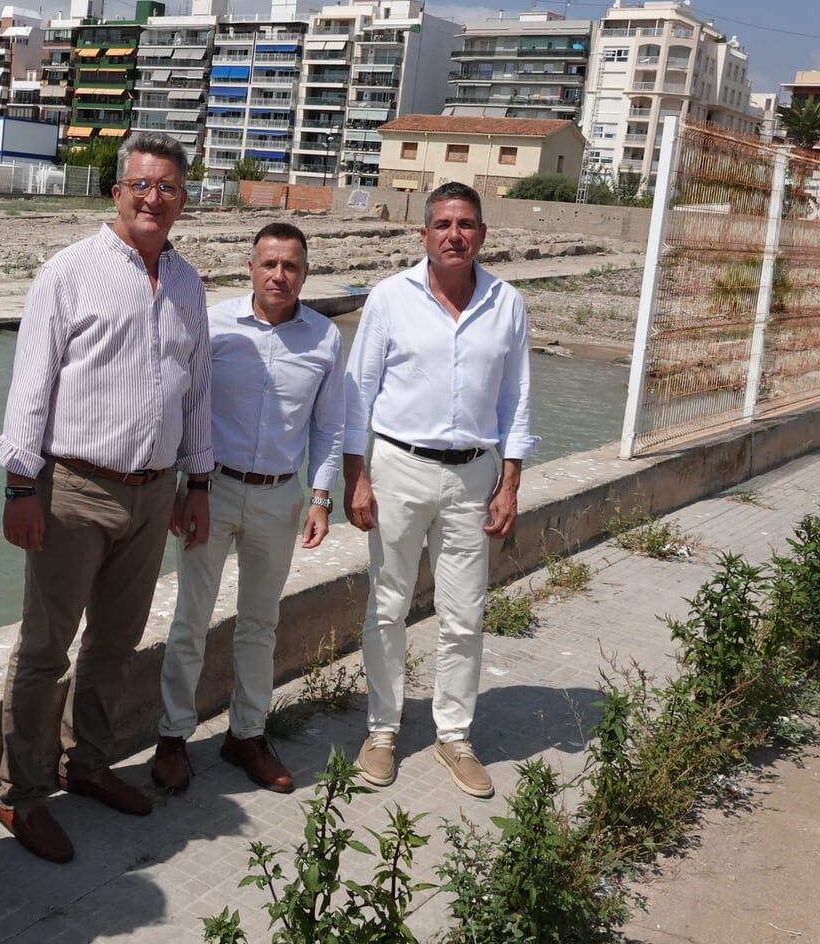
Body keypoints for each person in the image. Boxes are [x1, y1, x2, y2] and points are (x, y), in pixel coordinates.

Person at [0, 130, 214, 864]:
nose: (155, 198)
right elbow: (31, 388)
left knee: (115, 645)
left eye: (169, 188)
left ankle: (85, 764)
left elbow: (197, 392)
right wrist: (21, 486)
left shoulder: (188, 284)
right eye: (142, 185)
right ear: (116, 192)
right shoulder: (68, 273)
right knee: (44, 649)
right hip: (73, 491)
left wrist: (199, 479)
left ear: (184, 200)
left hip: (154, 493)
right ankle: (20, 795)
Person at [341, 180, 535, 800]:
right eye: (443, 224)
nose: (455, 234)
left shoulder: (507, 304)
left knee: (465, 613)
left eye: (467, 224)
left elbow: (517, 402)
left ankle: (454, 735)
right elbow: (357, 395)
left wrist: (509, 484)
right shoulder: (389, 298)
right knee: (388, 605)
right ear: (424, 234)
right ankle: (382, 731)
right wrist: (357, 477)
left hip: (474, 473)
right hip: (399, 466)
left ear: (482, 234)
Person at [152, 221, 345, 797]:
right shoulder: (213, 324)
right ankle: (172, 737)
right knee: (191, 618)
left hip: (281, 495)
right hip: (211, 490)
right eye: (269, 264)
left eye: (291, 266)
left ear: (305, 273)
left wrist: (320, 496)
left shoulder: (325, 338)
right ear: (251, 267)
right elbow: (182, 404)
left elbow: (330, 425)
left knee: (260, 623)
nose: (279, 275)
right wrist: (180, 485)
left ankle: (247, 734)